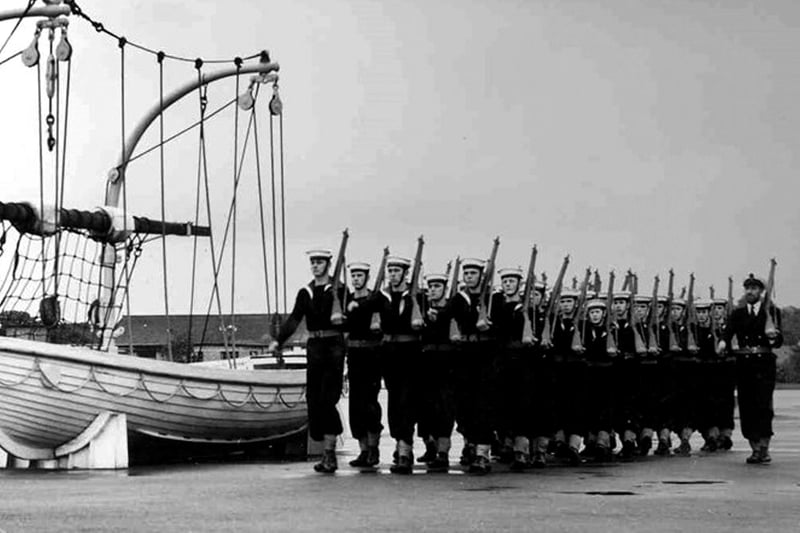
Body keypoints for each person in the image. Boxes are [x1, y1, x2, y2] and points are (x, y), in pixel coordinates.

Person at [269, 249, 346, 474]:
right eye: (313, 262)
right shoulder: (306, 292)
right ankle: (326, 452)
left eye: (320, 262)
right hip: (314, 347)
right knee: (314, 399)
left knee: (328, 398)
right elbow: (295, 318)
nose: (315, 266)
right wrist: (279, 340)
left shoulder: (339, 290)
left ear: (328, 265)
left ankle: (329, 454)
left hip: (333, 346)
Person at [723, 274, 783, 464]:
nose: (750, 292)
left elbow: (779, 341)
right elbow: (728, 332)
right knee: (747, 406)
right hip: (744, 364)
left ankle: (764, 447)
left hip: (763, 363)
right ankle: (754, 446)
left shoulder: (771, 312)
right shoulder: (738, 314)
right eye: (747, 288)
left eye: (754, 288)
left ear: (761, 291)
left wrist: (774, 337)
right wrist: (723, 342)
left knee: (763, 406)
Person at [373, 256, 423, 474]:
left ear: (405, 273)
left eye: (396, 270)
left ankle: (405, 450)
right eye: (390, 270)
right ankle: (400, 444)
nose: (392, 274)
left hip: (410, 355)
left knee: (406, 401)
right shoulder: (382, 297)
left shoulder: (416, 297)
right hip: (390, 355)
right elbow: (363, 309)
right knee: (394, 402)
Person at [450, 258, 496, 474]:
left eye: (473, 273)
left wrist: (493, 325)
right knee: (463, 405)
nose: (469, 277)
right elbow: (445, 316)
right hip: (464, 355)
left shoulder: (494, 299)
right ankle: (470, 442)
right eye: (466, 273)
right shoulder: (459, 299)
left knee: (484, 405)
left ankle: (482, 453)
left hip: (486, 356)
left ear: (481, 276)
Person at [491, 267, 534, 471]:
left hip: (521, 361)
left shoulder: (526, 308)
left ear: (519, 284)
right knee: (501, 403)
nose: (508, 284)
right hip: (500, 360)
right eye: (505, 281)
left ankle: (521, 450)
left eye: (512, 281)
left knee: (521, 405)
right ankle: (505, 442)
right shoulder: (496, 306)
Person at [344, 262, 383, 469]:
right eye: (354, 275)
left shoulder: (376, 299)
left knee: (370, 403)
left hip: (372, 355)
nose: (356, 279)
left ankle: (374, 448)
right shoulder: (347, 301)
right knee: (356, 405)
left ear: (367, 277)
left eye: (360, 275)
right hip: (354, 355)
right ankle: (363, 450)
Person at [419, 272, 456, 473]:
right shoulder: (422, 311)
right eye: (430, 287)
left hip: (446, 364)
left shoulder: (450, 311)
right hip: (426, 364)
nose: (433, 290)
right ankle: (430, 446)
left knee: (444, 409)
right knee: (425, 409)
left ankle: (443, 453)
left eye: (437, 287)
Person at [550, 288, 584, 466]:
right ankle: (560, 441)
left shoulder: (582, 324)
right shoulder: (553, 322)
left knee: (576, 408)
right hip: (557, 370)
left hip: (576, 370)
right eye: (562, 302)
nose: (565, 305)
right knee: (558, 406)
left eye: (569, 301)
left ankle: (574, 446)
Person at [711, 296, 735, 450]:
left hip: (727, 368)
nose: (717, 312)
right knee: (712, 402)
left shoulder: (730, 328)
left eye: (720, 308)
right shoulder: (709, 327)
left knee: (727, 402)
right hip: (712, 369)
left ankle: (726, 434)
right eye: (715, 308)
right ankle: (713, 434)